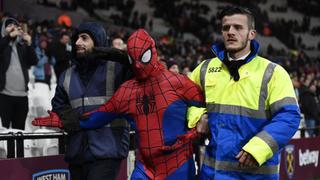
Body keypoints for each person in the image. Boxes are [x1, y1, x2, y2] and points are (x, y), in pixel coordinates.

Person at [33, 29, 206, 180]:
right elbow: (98, 117)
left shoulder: (178, 82)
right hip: (145, 167)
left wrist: (198, 122)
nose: (138, 64)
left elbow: (212, 106)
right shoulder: (127, 90)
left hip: (178, 164)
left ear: (153, 52)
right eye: (133, 59)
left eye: (142, 57)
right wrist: (66, 121)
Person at [190, 7, 301, 179]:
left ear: (252, 34)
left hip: (256, 175)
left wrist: (258, 148)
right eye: (226, 28)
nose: (231, 32)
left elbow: (289, 116)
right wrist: (198, 115)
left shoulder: (273, 72)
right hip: (212, 174)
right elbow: (184, 101)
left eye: (238, 27)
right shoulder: (204, 69)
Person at [34, 22, 130, 180]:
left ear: (98, 42)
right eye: (76, 39)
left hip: (108, 151)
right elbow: (59, 104)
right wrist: (69, 117)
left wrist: (117, 55)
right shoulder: (67, 75)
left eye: (84, 38)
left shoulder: (118, 69)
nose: (77, 43)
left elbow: (142, 71)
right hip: (77, 153)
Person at [0, 17, 38, 130]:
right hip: (4, 95)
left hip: (22, 96)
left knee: (19, 131)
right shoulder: (2, 45)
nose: (13, 28)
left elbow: (33, 61)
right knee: (4, 131)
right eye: (9, 25)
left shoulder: (22, 47)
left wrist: (29, 43)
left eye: (15, 25)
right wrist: (9, 37)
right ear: (3, 29)